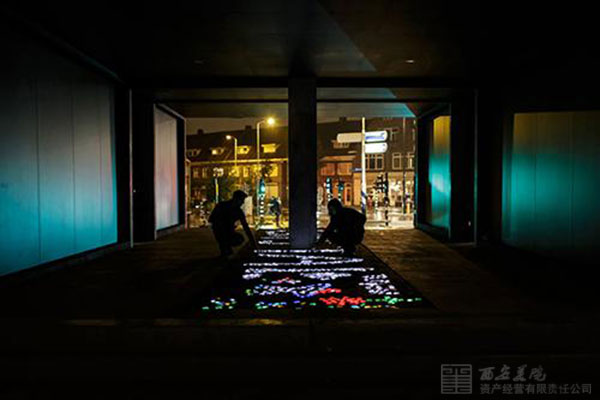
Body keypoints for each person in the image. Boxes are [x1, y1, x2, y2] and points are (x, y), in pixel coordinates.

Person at [209, 190, 257, 257]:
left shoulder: (237, 211)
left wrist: (252, 242)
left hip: (225, 231)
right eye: (242, 200)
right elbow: (212, 219)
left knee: (238, 238)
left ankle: (226, 248)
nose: (243, 203)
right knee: (224, 237)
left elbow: (245, 226)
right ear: (236, 199)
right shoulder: (222, 206)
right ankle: (225, 249)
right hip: (219, 230)